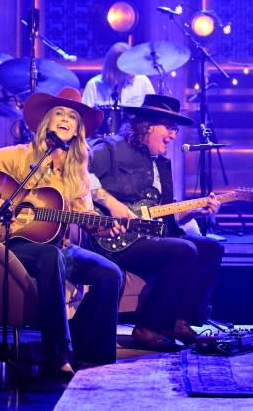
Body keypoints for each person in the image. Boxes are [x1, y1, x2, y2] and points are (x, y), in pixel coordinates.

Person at [0, 87, 125, 376]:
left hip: (60, 246)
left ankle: (93, 354)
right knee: (50, 257)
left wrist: (101, 226)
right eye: (58, 113)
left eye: (72, 116)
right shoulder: (19, 156)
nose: (65, 119)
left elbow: (83, 214)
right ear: (47, 122)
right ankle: (57, 351)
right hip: (10, 241)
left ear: (77, 131)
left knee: (110, 274)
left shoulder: (77, 171)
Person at [89, 94, 223, 351]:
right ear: (148, 125)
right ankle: (148, 327)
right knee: (183, 250)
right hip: (116, 238)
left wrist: (196, 211)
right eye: (169, 128)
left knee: (211, 248)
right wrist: (111, 203)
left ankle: (179, 322)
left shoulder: (161, 164)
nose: (173, 136)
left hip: (152, 236)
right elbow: (81, 172)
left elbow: (163, 213)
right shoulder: (112, 148)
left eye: (175, 130)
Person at [82, 42, 155, 136]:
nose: (131, 67)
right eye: (127, 63)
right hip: (101, 143)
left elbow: (153, 115)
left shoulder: (142, 82)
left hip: (136, 141)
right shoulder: (94, 85)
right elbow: (83, 119)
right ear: (114, 65)